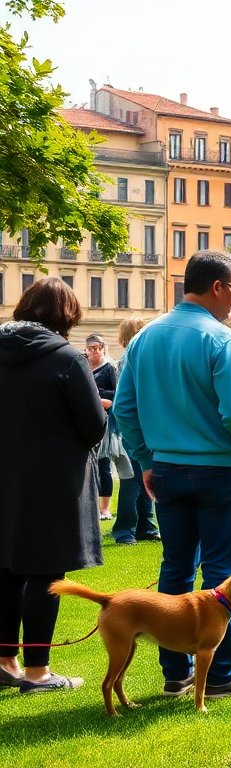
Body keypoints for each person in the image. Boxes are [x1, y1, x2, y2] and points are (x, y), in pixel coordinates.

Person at [114, 251, 231, 698]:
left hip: (165, 467)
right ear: (218, 287)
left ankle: (176, 671)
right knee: (223, 566)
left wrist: (145, 458)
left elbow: (125, 410)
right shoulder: (222, 340)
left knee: (175, 566)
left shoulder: (145, 338)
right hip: (219, 469)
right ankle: (220, 674)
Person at [0, 278, 106, 693]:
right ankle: (37, 671)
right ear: (68, 316)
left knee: (5, 569)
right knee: (45, 573)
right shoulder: (65, 356)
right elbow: (94, 424)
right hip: (52, 478)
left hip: (5, 475)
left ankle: (6, 660)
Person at [110, 317, 159, 545]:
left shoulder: (134, 358)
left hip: (139, 427)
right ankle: (125, 529)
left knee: (143, 476)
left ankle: (145, 526)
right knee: (132, 480)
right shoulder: (130, 360)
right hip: (133, 428)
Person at [85, 334, 117, 520]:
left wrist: (96, 394)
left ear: (103, 348)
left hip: (105, 421)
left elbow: (116, 395)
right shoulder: (82, 366)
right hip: (85, 420)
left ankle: (105, 508)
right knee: (88, 465)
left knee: (104, 464)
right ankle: (90, 507)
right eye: (91, 348)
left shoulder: (109, 368)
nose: (94, 351)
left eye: (97, 347)